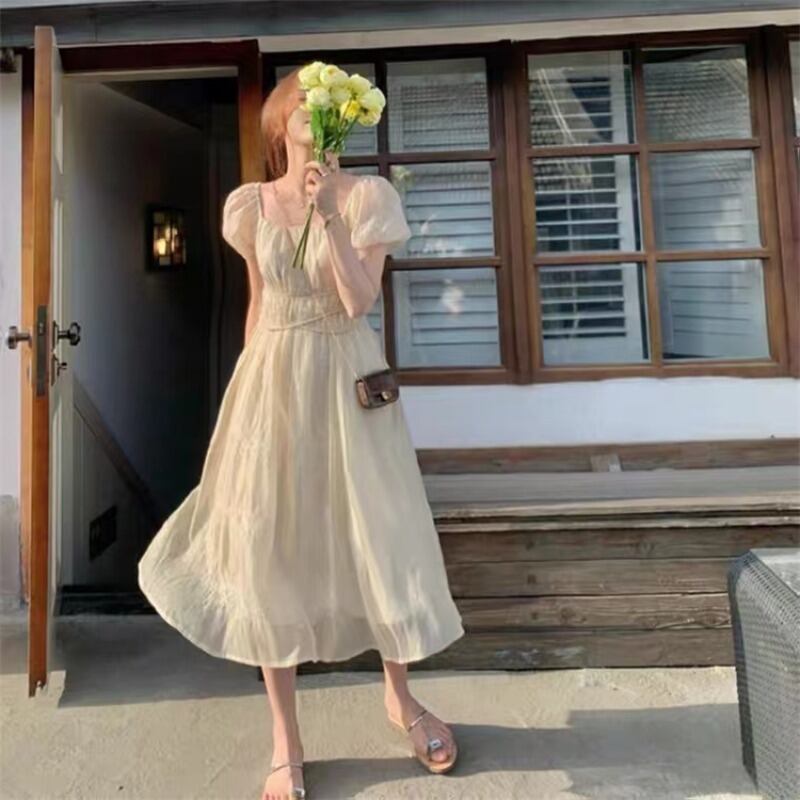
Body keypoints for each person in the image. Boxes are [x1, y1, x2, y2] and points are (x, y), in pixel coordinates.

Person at [137, 65, 465, 800]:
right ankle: (285, 738)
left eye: (326, 113)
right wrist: (245, 397)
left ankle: (400, 699)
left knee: (377, 535)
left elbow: (357, 302)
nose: (316, 124)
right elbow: (257, 306)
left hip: (347, 380)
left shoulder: (367, 198)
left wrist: (329, 216)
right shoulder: (249, 206)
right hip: (274, 382)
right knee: (269, 545)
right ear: (279, 126)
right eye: (303, 112)